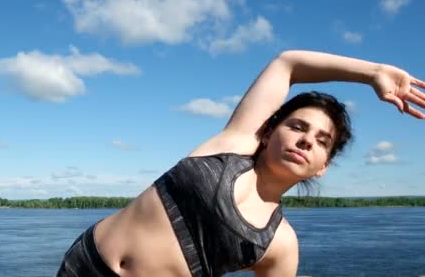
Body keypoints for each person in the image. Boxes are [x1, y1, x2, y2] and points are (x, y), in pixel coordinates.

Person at [56, 50, 425, 277]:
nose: (305, 140)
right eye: (296, 126)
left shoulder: (279, 243)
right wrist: (372, 72)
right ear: (268, 132)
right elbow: (287, 63)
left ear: (322, 166)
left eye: (321, 141)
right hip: (84, 263)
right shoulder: (232, 145)